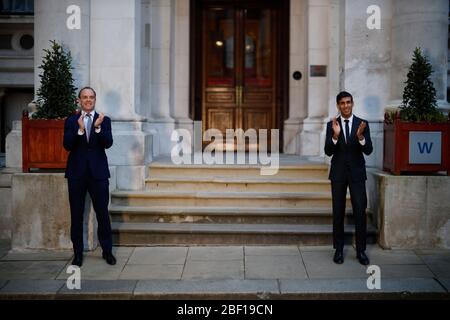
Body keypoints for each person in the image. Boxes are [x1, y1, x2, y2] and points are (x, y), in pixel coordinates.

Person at [63, 87, 116, 267]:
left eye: (91, 97)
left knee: (102, 214)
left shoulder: (104, 120)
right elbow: (67, 145)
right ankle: (77, 254)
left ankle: (107, 252)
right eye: (84, 97)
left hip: (98, 174)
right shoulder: (71, 121)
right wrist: (79, 130)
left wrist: (98, 127)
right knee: (76, 215)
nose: (88, 100)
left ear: (95, 99)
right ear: (79, 100)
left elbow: (108, 143)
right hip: (76, 174)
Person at [324, 91, 373, 265]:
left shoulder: (363, 124)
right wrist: (335, 136)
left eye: (348, 102)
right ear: (338, 105)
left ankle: (361, 251)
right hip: (338, 174)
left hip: (357, 174)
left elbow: (369, 150)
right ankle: (338, 250)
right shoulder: (332, 125)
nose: (346, 106)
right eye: (342, 103)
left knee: (360, 211)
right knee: (338, 212)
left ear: (352, 103)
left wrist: (360, 137)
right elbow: (328, 151)